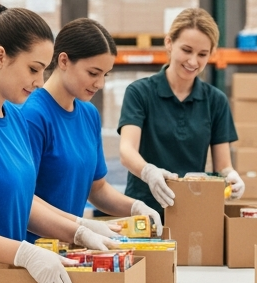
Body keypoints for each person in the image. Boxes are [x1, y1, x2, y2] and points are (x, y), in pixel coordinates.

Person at [0, 5, 124, 283]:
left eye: (44, 70)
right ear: (0, 57)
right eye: (34, 69)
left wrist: (76, 230)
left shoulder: (15, 118)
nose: (39, 82)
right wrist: (24, 252)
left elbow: (19, 201)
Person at [23, 18, 163, 238]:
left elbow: (96, 190)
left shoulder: (89, 115)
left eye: (105, 75)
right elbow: (23, 198)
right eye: (93, 73)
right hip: (33, 250)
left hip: (72, 248)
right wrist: (78, 227)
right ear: (63, 61)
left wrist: (136, 207)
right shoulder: (33, 116)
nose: (100, 84)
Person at [118, 7, 244, 222]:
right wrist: (149, 172)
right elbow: (126, 150)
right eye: (186, 50)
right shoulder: (140, 93)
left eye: (202, 54)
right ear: (169, 43)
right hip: (143, 211)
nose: (193, 61)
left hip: (191, 211)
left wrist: (231, 177)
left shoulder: (215, 101)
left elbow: (223, 165)